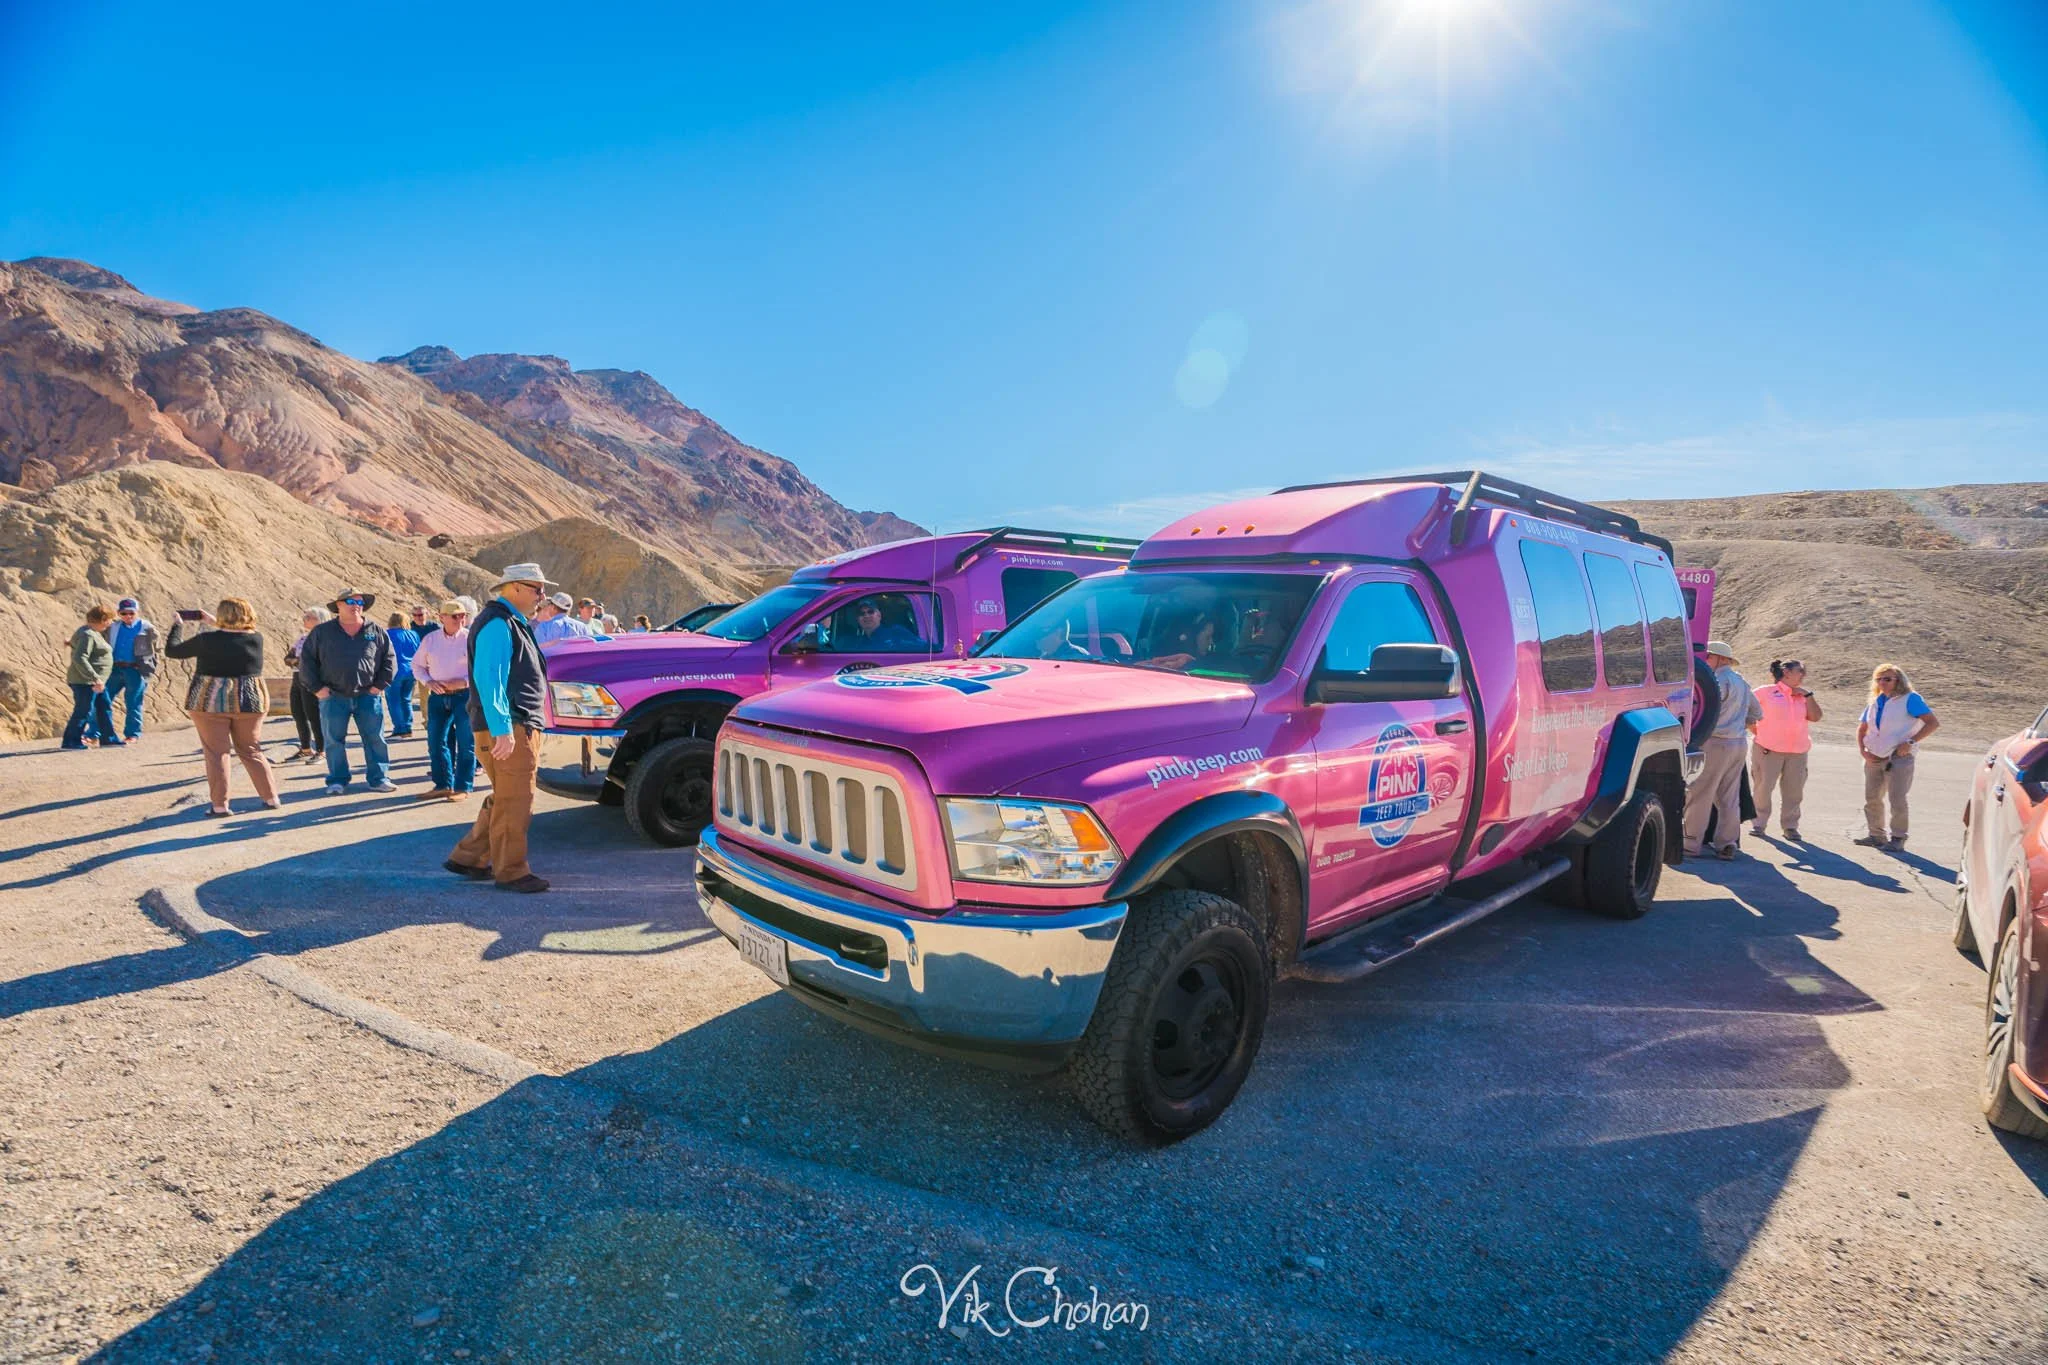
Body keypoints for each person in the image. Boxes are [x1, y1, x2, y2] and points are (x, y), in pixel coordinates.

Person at [445, 564, 554, 893]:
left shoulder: (508, 621)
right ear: (515, 588)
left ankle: (468, 856)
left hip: (515, 724)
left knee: (506, 796)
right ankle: (511, 871)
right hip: (511, 727)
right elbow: (488, 678)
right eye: (537, 589)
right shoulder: (498, 623)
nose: (542, 596)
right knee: (516, 800)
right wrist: (503, 729)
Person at [166, 598, 280, 816]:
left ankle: (220, 805)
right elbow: (231, 638)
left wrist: (177, 625)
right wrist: (215, 622)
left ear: (221, 616)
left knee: (217, 753)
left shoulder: (206, 640)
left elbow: (173, 651)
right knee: (251, 750)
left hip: (209, 700)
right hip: (250, 700)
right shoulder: (256, 639)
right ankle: (271, 797)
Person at [297, 588, 397, 795]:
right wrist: (317, 689)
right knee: (334, 740)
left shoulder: (375, 630)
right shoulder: (322, 632)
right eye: (350, 601)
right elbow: (306, 663)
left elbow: (389, 660)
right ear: (338, 605)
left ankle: (379, 778)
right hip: (333, 697)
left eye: (360, 602)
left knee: (375, 739)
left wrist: (378, 686)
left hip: (367, 696)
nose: (356, 605)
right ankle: (337, 780)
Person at [1682, 640, 1761, 861]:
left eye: (1709, 656)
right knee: (1729, 796)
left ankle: (1690, 843)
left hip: (1714, 741)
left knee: (1700, 793)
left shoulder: (1715, 681)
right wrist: (1737, 724)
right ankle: (1727, 843)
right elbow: (1757, 712)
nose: (1705, 660)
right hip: (1738, 743)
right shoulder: (1741, 682)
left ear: (1720, 659)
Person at [1855, 663, 1940, 850]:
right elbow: (1862, 728)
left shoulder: (1910, 699)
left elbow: (1932, 723)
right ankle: (1876, 835)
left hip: (1899, 756)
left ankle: (1898, 838)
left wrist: (1910, 743)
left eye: (1887, 679)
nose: (1882, 682)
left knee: (1897, 798)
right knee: (1872, 797)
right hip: (1874, 755)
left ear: (1898, 680)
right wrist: (1863, 750)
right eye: (1879, 679)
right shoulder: (1875, 701)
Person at [1749, 658, 1822, 842]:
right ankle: (1759, 824)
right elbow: (1747, 714)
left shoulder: (1803, 695)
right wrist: (1759, 732)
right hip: (1768, 750)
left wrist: (1808, 696)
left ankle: (1790, 826)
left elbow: (1815, 717)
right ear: (1787, 673)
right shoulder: (1765, 692)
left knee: (1794, 791)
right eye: (1800, 671)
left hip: (1797, 752)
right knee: (1763, 788)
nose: (1803, 675)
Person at [412, 598, 475, 801]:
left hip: (464, 697)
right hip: (438, 697)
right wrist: (428, 682)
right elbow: (417, 666)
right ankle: (442, 784)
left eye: (463, 616)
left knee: (466, 742)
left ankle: (463, 787)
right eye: (455, 616)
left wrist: (464, 682)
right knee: (436, 742)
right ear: (442, 618)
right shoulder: (430, 640)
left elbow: (481, 669)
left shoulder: (471, 638)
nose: (460, 619)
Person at [61, 604, 119, 750]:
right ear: (104, 619)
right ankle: (71, 741)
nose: (111, 623)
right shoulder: (87, 634)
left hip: (97, 681)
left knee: (104, 707)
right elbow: (80, 658)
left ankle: (109, 738)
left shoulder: (92, 633)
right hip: (86, 682)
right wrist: (94, 678)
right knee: (83, 710)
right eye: (110, 620)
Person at [107, 597, 160, 742]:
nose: (128, 616)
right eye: (124, 613)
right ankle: (96, 733)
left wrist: (147, 666)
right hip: (114, 669)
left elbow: (157, 649)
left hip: (135, 671)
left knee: (133, 703)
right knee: (103, 700)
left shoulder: (147, 628)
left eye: (131, 613)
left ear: (137, 612)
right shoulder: (112, 627)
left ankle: (132, 734)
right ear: (118, 613)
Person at [283, 608, 330, 763]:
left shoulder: (324, 638)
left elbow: (315, 660)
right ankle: (305, 748)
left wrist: (300, 661)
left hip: (312, 679)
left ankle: (322, 749)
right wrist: (300, 661)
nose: (304, 619)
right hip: (297, 678)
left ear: (319, 619)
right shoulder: (303, 638)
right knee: (298, 714)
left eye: (308, 617)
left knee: (314, 715)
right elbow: (289, 658)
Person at [383, 611, 422, 737]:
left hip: (394, 671)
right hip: (411, 670)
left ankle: (400, 727)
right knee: (406, 699)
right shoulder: (413, 634)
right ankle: (408, 725)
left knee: (394, 700)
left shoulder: (387, 634)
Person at [835, 596, 922, 651]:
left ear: (879, 615)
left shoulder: (896, 632)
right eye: (861, 613)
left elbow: (923, 648)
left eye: (870, 612)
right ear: (857, 619)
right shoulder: (857, 643)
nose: (866, 616)